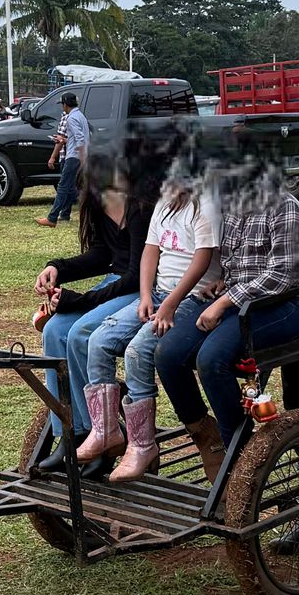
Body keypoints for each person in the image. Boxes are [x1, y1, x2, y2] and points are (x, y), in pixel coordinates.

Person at [152, 163, 299, 477]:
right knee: (168, 353)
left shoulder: (284, 206)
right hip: (243, 300)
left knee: (212, 358)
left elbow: (281, 276)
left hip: (286, 304)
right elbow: (235, 263)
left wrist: (225, 301)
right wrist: (224, 284)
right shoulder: (234, 209)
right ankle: (207, 437)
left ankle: (239, 451)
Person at [87, 155, 218, 477]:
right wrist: (146, 295)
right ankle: (106, 430)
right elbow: (150, 250)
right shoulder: (165, 202)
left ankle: (143, 445)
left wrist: (169, 304)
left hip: (192, 296)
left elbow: (202, 260)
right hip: (159, 293)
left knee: (138, 350)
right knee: (99, 341)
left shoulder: (205, 204)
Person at [30, 154, 153, 466]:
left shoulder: (141, 208)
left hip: (140, 288)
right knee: (55, 330)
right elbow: (101, 256)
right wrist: (56, 267)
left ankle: (103, 430)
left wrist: (81, 301)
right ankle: (73, 433)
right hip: (117, 282)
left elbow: (135, 275)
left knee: (82, 332)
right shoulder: (99, 205)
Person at [41, 91, 88, 228]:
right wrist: (64, 139)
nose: (62, 106)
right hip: (78, 155)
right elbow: (81, 137)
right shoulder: (80, 116)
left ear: (65, 104)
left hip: (74, 156)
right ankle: (66, 214)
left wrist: (81, 157)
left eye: (62, 104)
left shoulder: (71, 118)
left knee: (63, 186)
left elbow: (80, 138)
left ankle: (52, 218)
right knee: (74, 188)